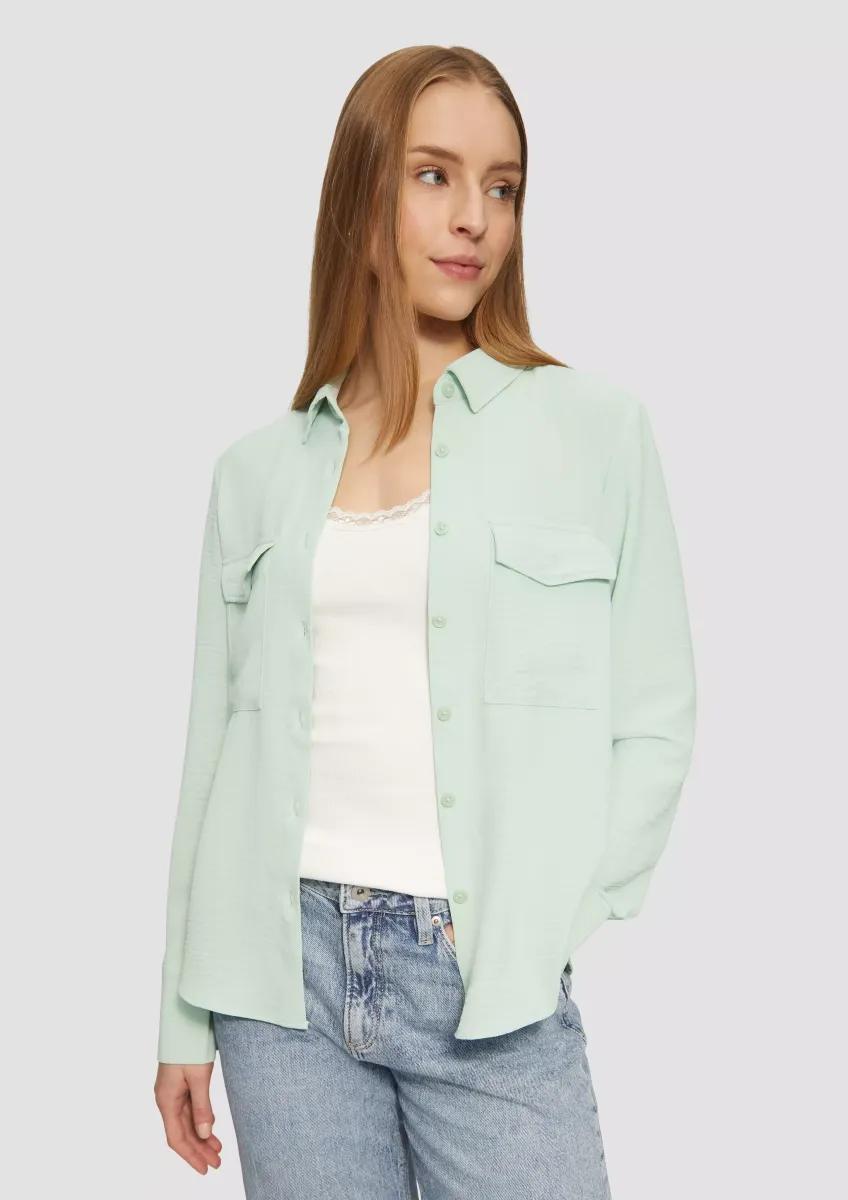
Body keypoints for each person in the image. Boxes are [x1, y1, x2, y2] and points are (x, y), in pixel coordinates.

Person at [153, 44, 697, 1200]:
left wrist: (554, 911)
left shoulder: (594, 432)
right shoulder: (255, 472)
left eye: (502, 186)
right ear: (362, 199)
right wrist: (179, 1018)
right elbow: (213, 754)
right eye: (433, 175)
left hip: (488, 985)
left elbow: (655, 713)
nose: (473, 220)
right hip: (278, 986)